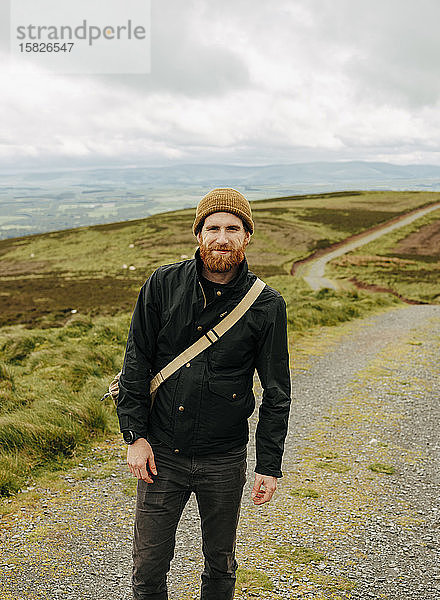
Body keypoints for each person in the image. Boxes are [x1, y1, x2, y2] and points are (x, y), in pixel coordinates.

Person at [116, 187, 291, 600]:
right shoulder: (161, 284)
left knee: (220, 564)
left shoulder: (267, 305)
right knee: (148, 567)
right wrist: (135, 436)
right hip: (161, 455)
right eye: (213, 227)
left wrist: (268, 465)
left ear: (247, 236)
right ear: (198, 234)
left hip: (224, 459)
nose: (222, 237)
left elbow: (277, 393)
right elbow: (135, 363)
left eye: (233, 228)